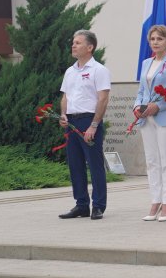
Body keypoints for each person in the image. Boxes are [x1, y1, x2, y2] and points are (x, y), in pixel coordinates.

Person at [133, 25, 166, 222]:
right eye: (153, 39)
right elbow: (141, 91)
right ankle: (155, 201)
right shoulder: (146, 63)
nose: (155, 42)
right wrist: (137, 106)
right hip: (146, 119)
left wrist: (159, 105)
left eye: (160, 39)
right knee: (152, 162)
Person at [58, 30, 111, 220]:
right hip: (71, 122)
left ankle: (98, 206)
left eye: (78, 43)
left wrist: (94, 125)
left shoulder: (99, 70)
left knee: (95, 165)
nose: (73, 45)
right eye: (73, 42)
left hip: (89, 120)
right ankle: (81, 205)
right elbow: (65, 96)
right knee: (75, 165)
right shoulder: (70, 71)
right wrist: (63, 115)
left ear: (90, 47)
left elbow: (103, 99)